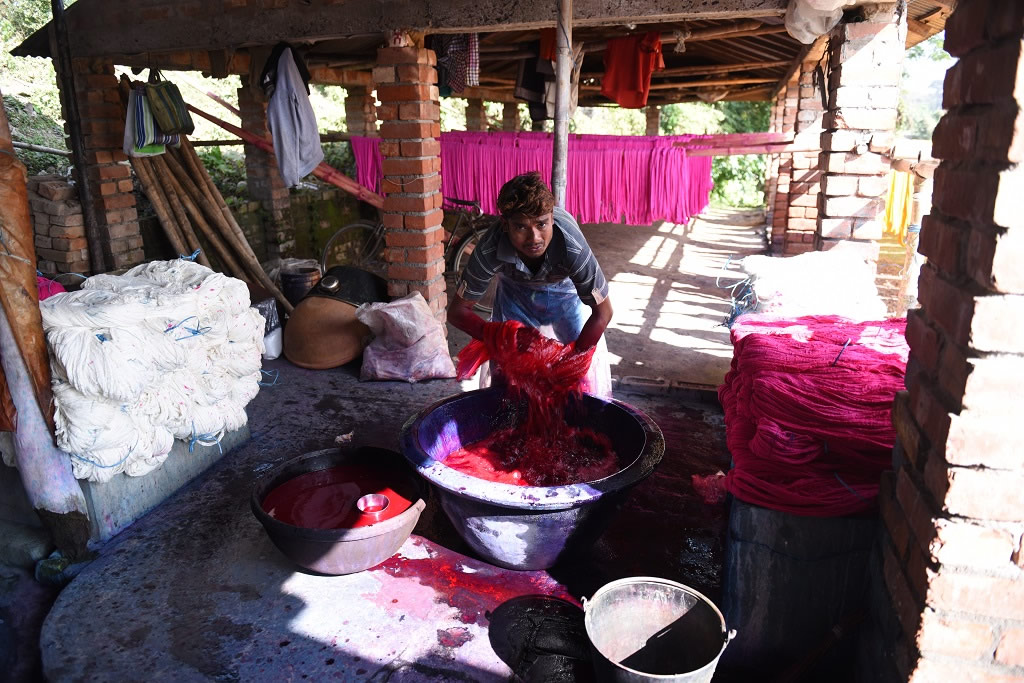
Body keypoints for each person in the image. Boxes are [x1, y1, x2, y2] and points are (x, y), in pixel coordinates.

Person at [448, 171, 614, 397]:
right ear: (505, 225)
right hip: (514, 296)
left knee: (576, 385)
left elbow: (603, 313)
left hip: (565, 297)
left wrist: (572, 361)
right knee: (506, 374)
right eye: (521, 227)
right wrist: (500, 336)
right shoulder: (490, 247)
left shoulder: (572, 247)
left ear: (552, 218)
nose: (534, 237)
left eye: (541, 224)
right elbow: (457, 312)